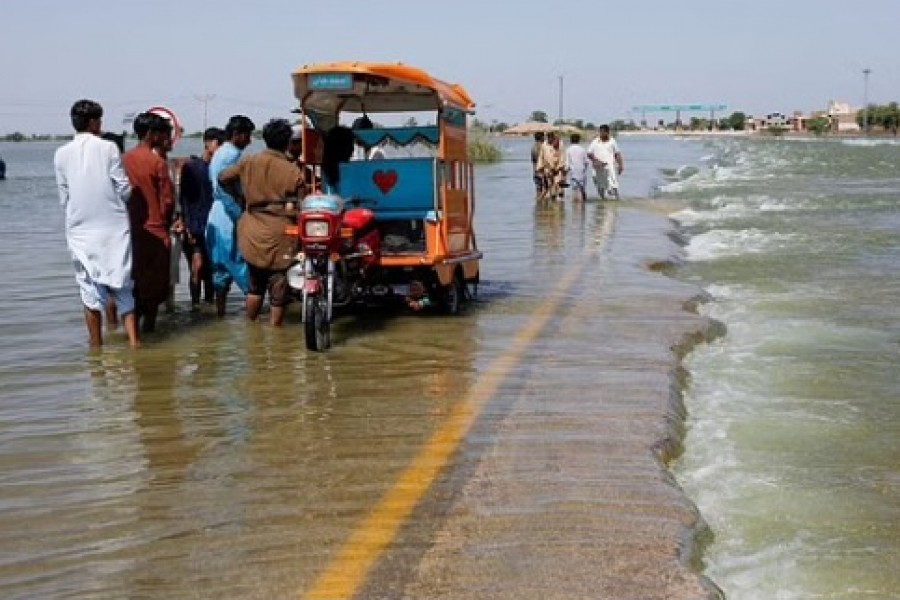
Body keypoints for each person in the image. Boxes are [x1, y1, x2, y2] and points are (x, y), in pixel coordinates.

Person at [53, 99, 139, 347]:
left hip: (79, 230)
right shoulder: (109, 148)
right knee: (123, 287)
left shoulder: (61, 154)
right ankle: (135, 344)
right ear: (93, 123)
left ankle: (96, 347)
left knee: (89, 291)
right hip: (114, 228)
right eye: (99, 120)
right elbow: (123, 188)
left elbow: (64, 197)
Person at [218, 119, 305, 326]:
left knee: (254, 284)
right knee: (279, 283)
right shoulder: (293, 171)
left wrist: (240, 198)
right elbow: (303, 207)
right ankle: (276, 332)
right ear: (287, 143)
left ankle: (251, 329)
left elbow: (223, 178)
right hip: (280, 230)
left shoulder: (248, 161)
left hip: (252, 228)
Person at [122, 112, 175, 333]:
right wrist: (166, 223)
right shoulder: (157, 162)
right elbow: (168, 201)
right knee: (154, 289)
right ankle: (149, 332)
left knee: (129, 285)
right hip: (154, 231)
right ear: (151, 134)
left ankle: (129, 332)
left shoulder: (123, 159)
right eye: (161, 133)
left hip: (128, 230)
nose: (164, 137)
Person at [206, 115, 255, 316]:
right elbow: (225, 189)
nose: (249, 141)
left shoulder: (219, 153)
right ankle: (254, 320)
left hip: (215, 216)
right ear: (237, 135)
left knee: (220, 269)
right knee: (243, 267)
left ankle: (220, 314)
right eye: (247, 136)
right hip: (228, 216)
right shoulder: (233, 155)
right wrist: (240, 216)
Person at [180, 127, 225, 309]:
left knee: (210, 269)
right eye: (218, 143)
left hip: (213, 223)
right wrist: (186, 223)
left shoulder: (219, 168)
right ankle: (195, 304)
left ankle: (208, 303)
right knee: (197, 265)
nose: (220, 148)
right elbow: (184, 198)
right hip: (195, 223)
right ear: (208, 143)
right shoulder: (191, 167)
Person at [587, 124, 624, 200]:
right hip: (598, 168)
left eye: (603, 132)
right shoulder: (595, 141)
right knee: (600, 186)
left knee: (613, 185)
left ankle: (616, 200)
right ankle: (602, 201)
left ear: (607, 132)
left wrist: (620, 165)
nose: (601, 134)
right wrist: (596, 161)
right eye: (600, 132)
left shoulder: (612, 141)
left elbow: (617, 154)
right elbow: (589, 153)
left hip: (609, 168)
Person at [536, 132, 566, 201]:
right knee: (550, 186)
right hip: (548, 169)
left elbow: (562, 156)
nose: (550, 139)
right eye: (548, 137)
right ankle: (552, 204)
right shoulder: (544, 145)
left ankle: (559, 206)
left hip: (558, 169)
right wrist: (540, 169)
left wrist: (559, 167)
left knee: (559, 187)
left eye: (551, 137)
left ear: (553, 137)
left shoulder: (559, 143)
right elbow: (541, 157)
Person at [565, 133, 590, 202]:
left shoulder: (568, 150)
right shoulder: (583, 149)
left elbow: (567, 164)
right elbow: (587, 162)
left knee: (575, 191)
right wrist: (584, 170)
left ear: (570, 140)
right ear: (579, 140)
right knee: (582, 190)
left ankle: (577, 209)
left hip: (573, 173)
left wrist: (564, 173)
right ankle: (583, 208)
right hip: (582, 173)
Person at [530, 132, 545, 198]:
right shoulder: (543, 147)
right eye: (543, 137)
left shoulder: (533, 147)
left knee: (538, 190)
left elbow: (533, 160)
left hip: (535, 171)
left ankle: (538, 206)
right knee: (545, 191)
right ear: (542, 138)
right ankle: (544, 206)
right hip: (543, 171)